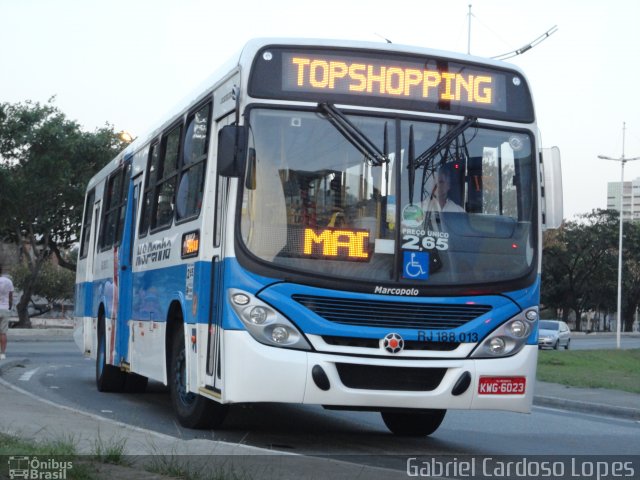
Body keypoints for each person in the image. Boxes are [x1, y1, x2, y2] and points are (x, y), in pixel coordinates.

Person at [0, 265, 15, 360]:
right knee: (3, 332)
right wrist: (9, 306)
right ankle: (2, 354)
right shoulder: (8, 281)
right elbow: (11, 297)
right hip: (5, 309)